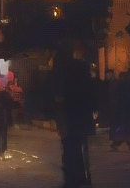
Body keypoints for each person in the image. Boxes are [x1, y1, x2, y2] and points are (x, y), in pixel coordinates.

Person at [49, 41, 96, 188]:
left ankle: (73, 179)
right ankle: (83, 178)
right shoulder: (81, 67)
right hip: (82, 115)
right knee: (80, 148)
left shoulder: (61, 71)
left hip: (69, 115)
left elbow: (56, 94)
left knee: (70, 149)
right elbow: (90, 91)